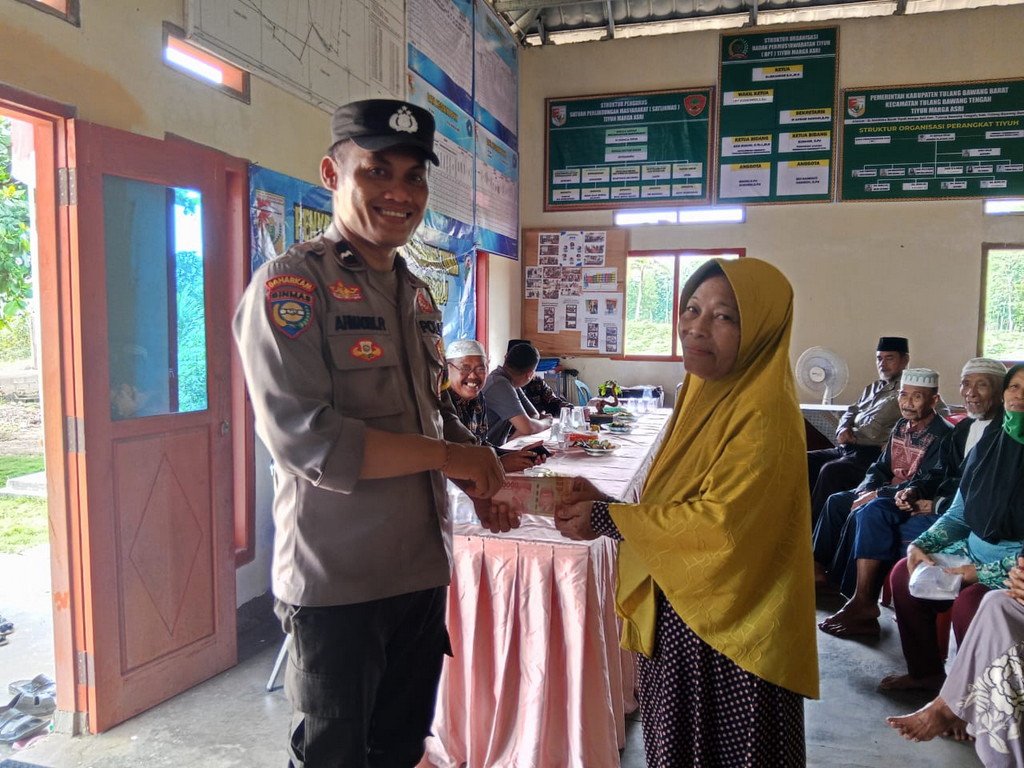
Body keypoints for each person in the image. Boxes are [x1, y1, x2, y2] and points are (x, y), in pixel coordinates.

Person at [233, 98, 511, 768]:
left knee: (401, 749)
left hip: (420, 573)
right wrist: (448, 455)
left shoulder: (416, 294)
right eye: (377, 171)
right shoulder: (291, 286)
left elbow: (430, 411)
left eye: (414, 176)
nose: (399, 192)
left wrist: (472, 470)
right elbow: (308, 440)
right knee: (334, 757)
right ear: (333, 174)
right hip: (339, 583)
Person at [554, 258, 818, 765]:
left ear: (761, 330)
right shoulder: (705, 390)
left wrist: (608, 519)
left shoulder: (760, 413)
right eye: (692, 309)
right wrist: (609, 504)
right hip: (684, 609)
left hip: (730, 632)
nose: (697, 327)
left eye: (725, 316)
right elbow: (677, 502)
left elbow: (721, 527)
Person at [818, 358, 1005, 637]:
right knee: (852, 504)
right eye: (966, 384)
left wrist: (932, 502)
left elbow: (982, 491)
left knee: (872, 512)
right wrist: (914, 491)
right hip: (934, 503)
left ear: (1000, 391)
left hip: (963, 518)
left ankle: (862, 602)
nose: (971, 393)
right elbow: (939, 474)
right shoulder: (964, 429)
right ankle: (841, 587)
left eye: (982, 385)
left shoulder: (1000, 434)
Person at [881, 364, 1024, 694]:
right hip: (972, 548)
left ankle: (969, 700)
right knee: (904, 572)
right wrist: (921, 545)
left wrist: (976, 573)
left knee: (971, 602)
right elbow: (960, 514)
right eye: (1014, 386)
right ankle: (925, 673)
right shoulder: (988, 445)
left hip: (1012, 566)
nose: (1019, 396)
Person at [811, 368, 952, 610]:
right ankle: (816, 569)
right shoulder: (901, 425)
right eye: (903, 395)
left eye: (917, 397)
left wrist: (876, 494)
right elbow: (880, 466)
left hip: (906, 498)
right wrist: (867, 488)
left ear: (934, 400)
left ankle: (846, 590)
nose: (907, 403)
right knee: (836, 501)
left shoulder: (944, 434)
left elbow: (927, 481)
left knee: (862, 511)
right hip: (884, 490)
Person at [887, 555, 1024, 766]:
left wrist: (981, 571)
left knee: (974, 602)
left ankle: (949, 707)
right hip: (977, 557)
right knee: (997, 603)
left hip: (988, 562)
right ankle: (946, 701)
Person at [807, 337, 911, 525]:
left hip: (871, 454)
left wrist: (896, 442)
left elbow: (938, 414)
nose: (882, 364)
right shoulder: (873, 387)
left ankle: (815, 530)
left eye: (889, 358)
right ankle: (797, 522)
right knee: (805, 460)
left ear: (904, 360)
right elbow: (851, 410)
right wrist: (843, 428)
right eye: (879, 358)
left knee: (831, 471)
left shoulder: (910, 391)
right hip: (847, 449)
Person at [444, 338, 547, 473]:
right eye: (465, 368)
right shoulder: (440, 403)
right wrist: (501, 463)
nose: (473, 376)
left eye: (481, 369)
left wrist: (516, 455)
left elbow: (480, 445)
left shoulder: (478, 398)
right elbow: (449, 456)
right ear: (447, 369)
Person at [481, 342, 552, 445]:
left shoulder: (510, 382)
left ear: (505, 358)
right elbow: (527, 427)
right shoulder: (499, 383)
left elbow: (533, 415)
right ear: (530, 374)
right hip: (483, 450)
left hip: (497, 447)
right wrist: (546, 422)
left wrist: (511, 440)